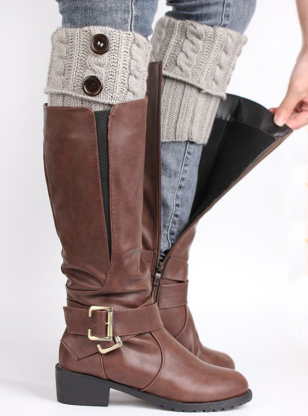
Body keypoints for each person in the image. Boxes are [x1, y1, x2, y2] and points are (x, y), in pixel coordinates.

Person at [42, 0, 302, 411]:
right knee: (113, 19)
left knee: (219, 10)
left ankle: (154, 301)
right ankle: (108, 331)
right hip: (106, 331)